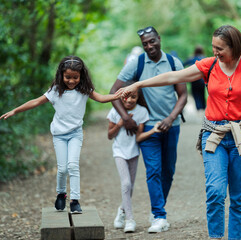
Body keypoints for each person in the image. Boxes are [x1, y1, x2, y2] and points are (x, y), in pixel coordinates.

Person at [120, 25, 241, 239]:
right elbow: (172, 77)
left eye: (220, 48)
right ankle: (215, 237)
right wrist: (139, 83)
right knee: (215, 191)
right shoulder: (209, 65)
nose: (215, 52)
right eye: (213, 47)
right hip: (214, 136)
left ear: (235, 47)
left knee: (239, 197)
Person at [0, 56, 122, 214]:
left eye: (75, 77)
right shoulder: (55, 91)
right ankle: (61, 193)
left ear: (81, 76)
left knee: (73, 165)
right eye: (68, 77)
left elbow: (102, 98)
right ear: (61, 75)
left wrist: (117, 96)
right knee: (63, 168)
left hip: (75, 134)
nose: (71, 81)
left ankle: (75, 201)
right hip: (59, 135)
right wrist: (16, 110)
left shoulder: (85, 90)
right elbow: (36, 101)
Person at [109, 26, 187, 233]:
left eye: (152, 41)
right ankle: (159, 216)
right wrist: (125, 118)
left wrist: (171, 118)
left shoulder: (173, 63)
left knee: (168, 171)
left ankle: (149, 209)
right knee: (153, 170)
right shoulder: (138, 63)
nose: (149, 46)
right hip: (148, 126)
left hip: (172, 125)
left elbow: (183, 95)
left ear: (159, 39)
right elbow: (113, 91)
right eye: (145, 44)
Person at [107, 81, 161, 233]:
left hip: (133, 153)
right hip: (119, 152)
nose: (129, 100)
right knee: (126, 184)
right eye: (126, 97)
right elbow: (109, 135)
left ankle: (121, 211)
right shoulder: (115, 112)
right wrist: (119, 124)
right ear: (121, 97)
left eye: (134, 97)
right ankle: (130, 220)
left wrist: (154, 131)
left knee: (130, 187)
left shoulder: (142, 112)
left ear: (138, 97)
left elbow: (138, 138)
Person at [184, 45, 206, 111]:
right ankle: (203, 107)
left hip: (194, 80)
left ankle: (198, 107)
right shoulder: (204, 58)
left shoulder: (191, 58)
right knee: (202, 93)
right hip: (202, 80)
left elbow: (183, 64)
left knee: (195, 94)